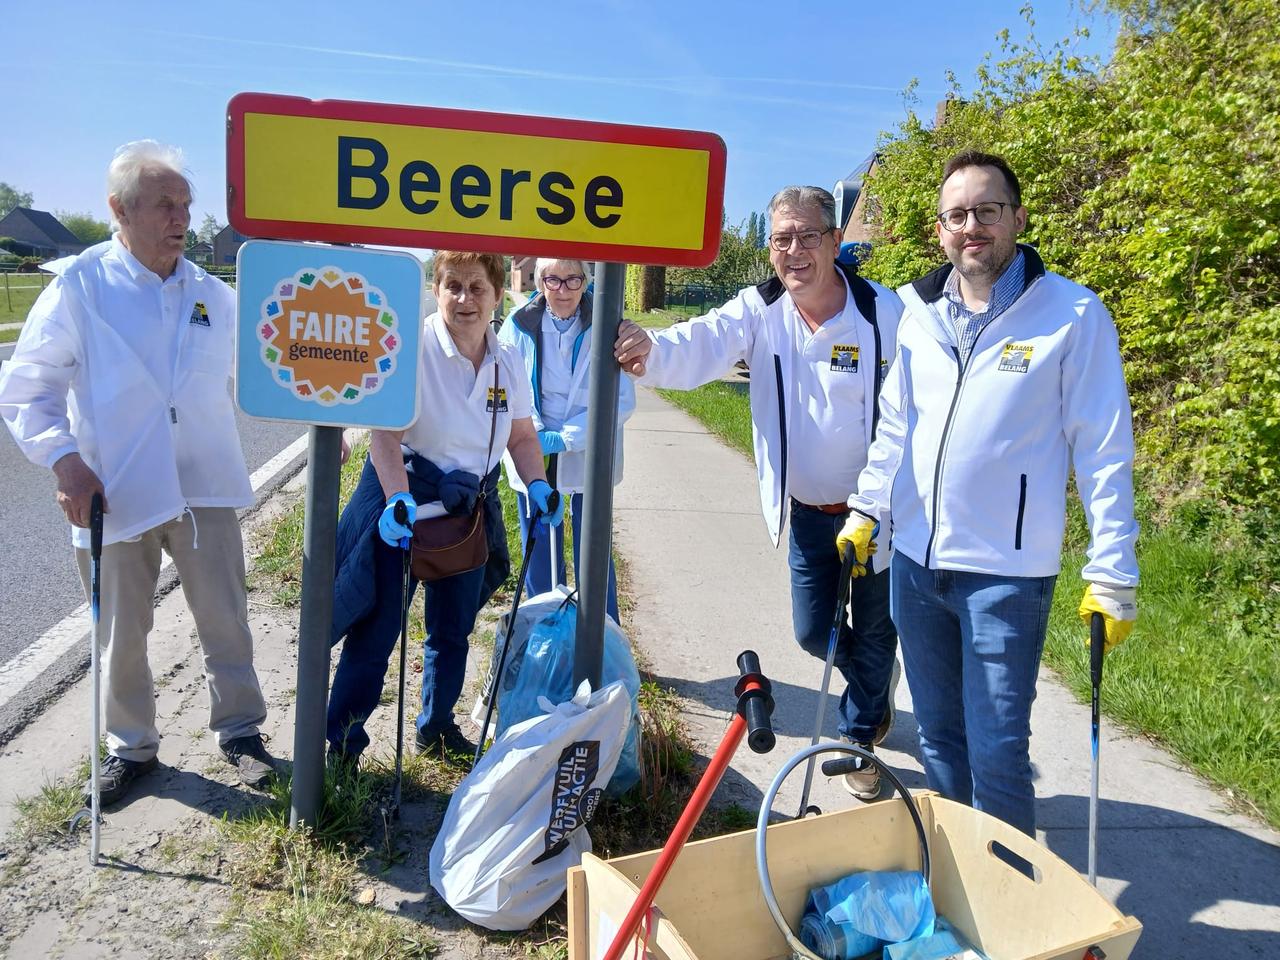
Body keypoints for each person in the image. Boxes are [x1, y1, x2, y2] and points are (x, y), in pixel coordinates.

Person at [837, 150, 1139, 835]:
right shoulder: (915, 311)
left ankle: (1010, 910)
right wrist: (867, 509)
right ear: (940, 230)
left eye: (987, 211)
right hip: (915, 567)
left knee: (999, 751)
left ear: (1017, 218)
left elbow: (1103, 449)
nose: (972, 226)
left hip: (1007, 575)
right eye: (957, 214)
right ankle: (956, 881)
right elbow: (896, 426)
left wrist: (1113, 571)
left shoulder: (1072, 315)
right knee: (939, 741)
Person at [0, 140, 277, 806]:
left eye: (185, 205)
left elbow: (259, 374)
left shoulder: (213, 294)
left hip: (203, 484)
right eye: (163, 205)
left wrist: (324, 426)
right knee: (121, 630)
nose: (179, 218)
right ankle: (132, 748)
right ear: (118, 210)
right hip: (114, 488)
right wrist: (65, 462)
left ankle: (241, 734)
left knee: (226, 618)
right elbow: (28, 386)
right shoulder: (80, 287)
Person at [613, 186, 904, 800]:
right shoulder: (762, 307)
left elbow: (912, 409)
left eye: (806, 237)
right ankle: (875, 687)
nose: (793, 251)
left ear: (833, 242)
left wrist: (880, 504)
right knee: (810, 632)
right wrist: (651, 350)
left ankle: (858, 742)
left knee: (873, 631)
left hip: (878, 514)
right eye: (780, 240)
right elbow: (702, 340)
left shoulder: (881, 312)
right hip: (806, 512)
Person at [327, 251, 563, 764]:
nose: (464, 299)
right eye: (452, 285)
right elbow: (385, 435)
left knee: (453, 629)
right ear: (436, 290)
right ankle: (342, 742)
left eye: (477, 287)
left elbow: (521, 437)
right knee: (377, 628)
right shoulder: (409, 348)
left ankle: (435, 726)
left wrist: (538, 483)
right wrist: (396, 500)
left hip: (465, 508)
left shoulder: (508, 361)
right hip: (403, 495)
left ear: (498, 294)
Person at [499, 258, 634, 620]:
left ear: (586, 282)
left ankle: (602, 637)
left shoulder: (609, 325)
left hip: (587, 449)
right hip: (534, 447)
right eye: (553, 279)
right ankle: (545, 635)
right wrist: (534, 431)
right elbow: (506, 383)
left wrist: (568, 438)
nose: (563, 290)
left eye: (573, 280)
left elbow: (622, 399)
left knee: (592, 550)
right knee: (540, 549)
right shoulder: (517, 326)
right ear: (541, 282)